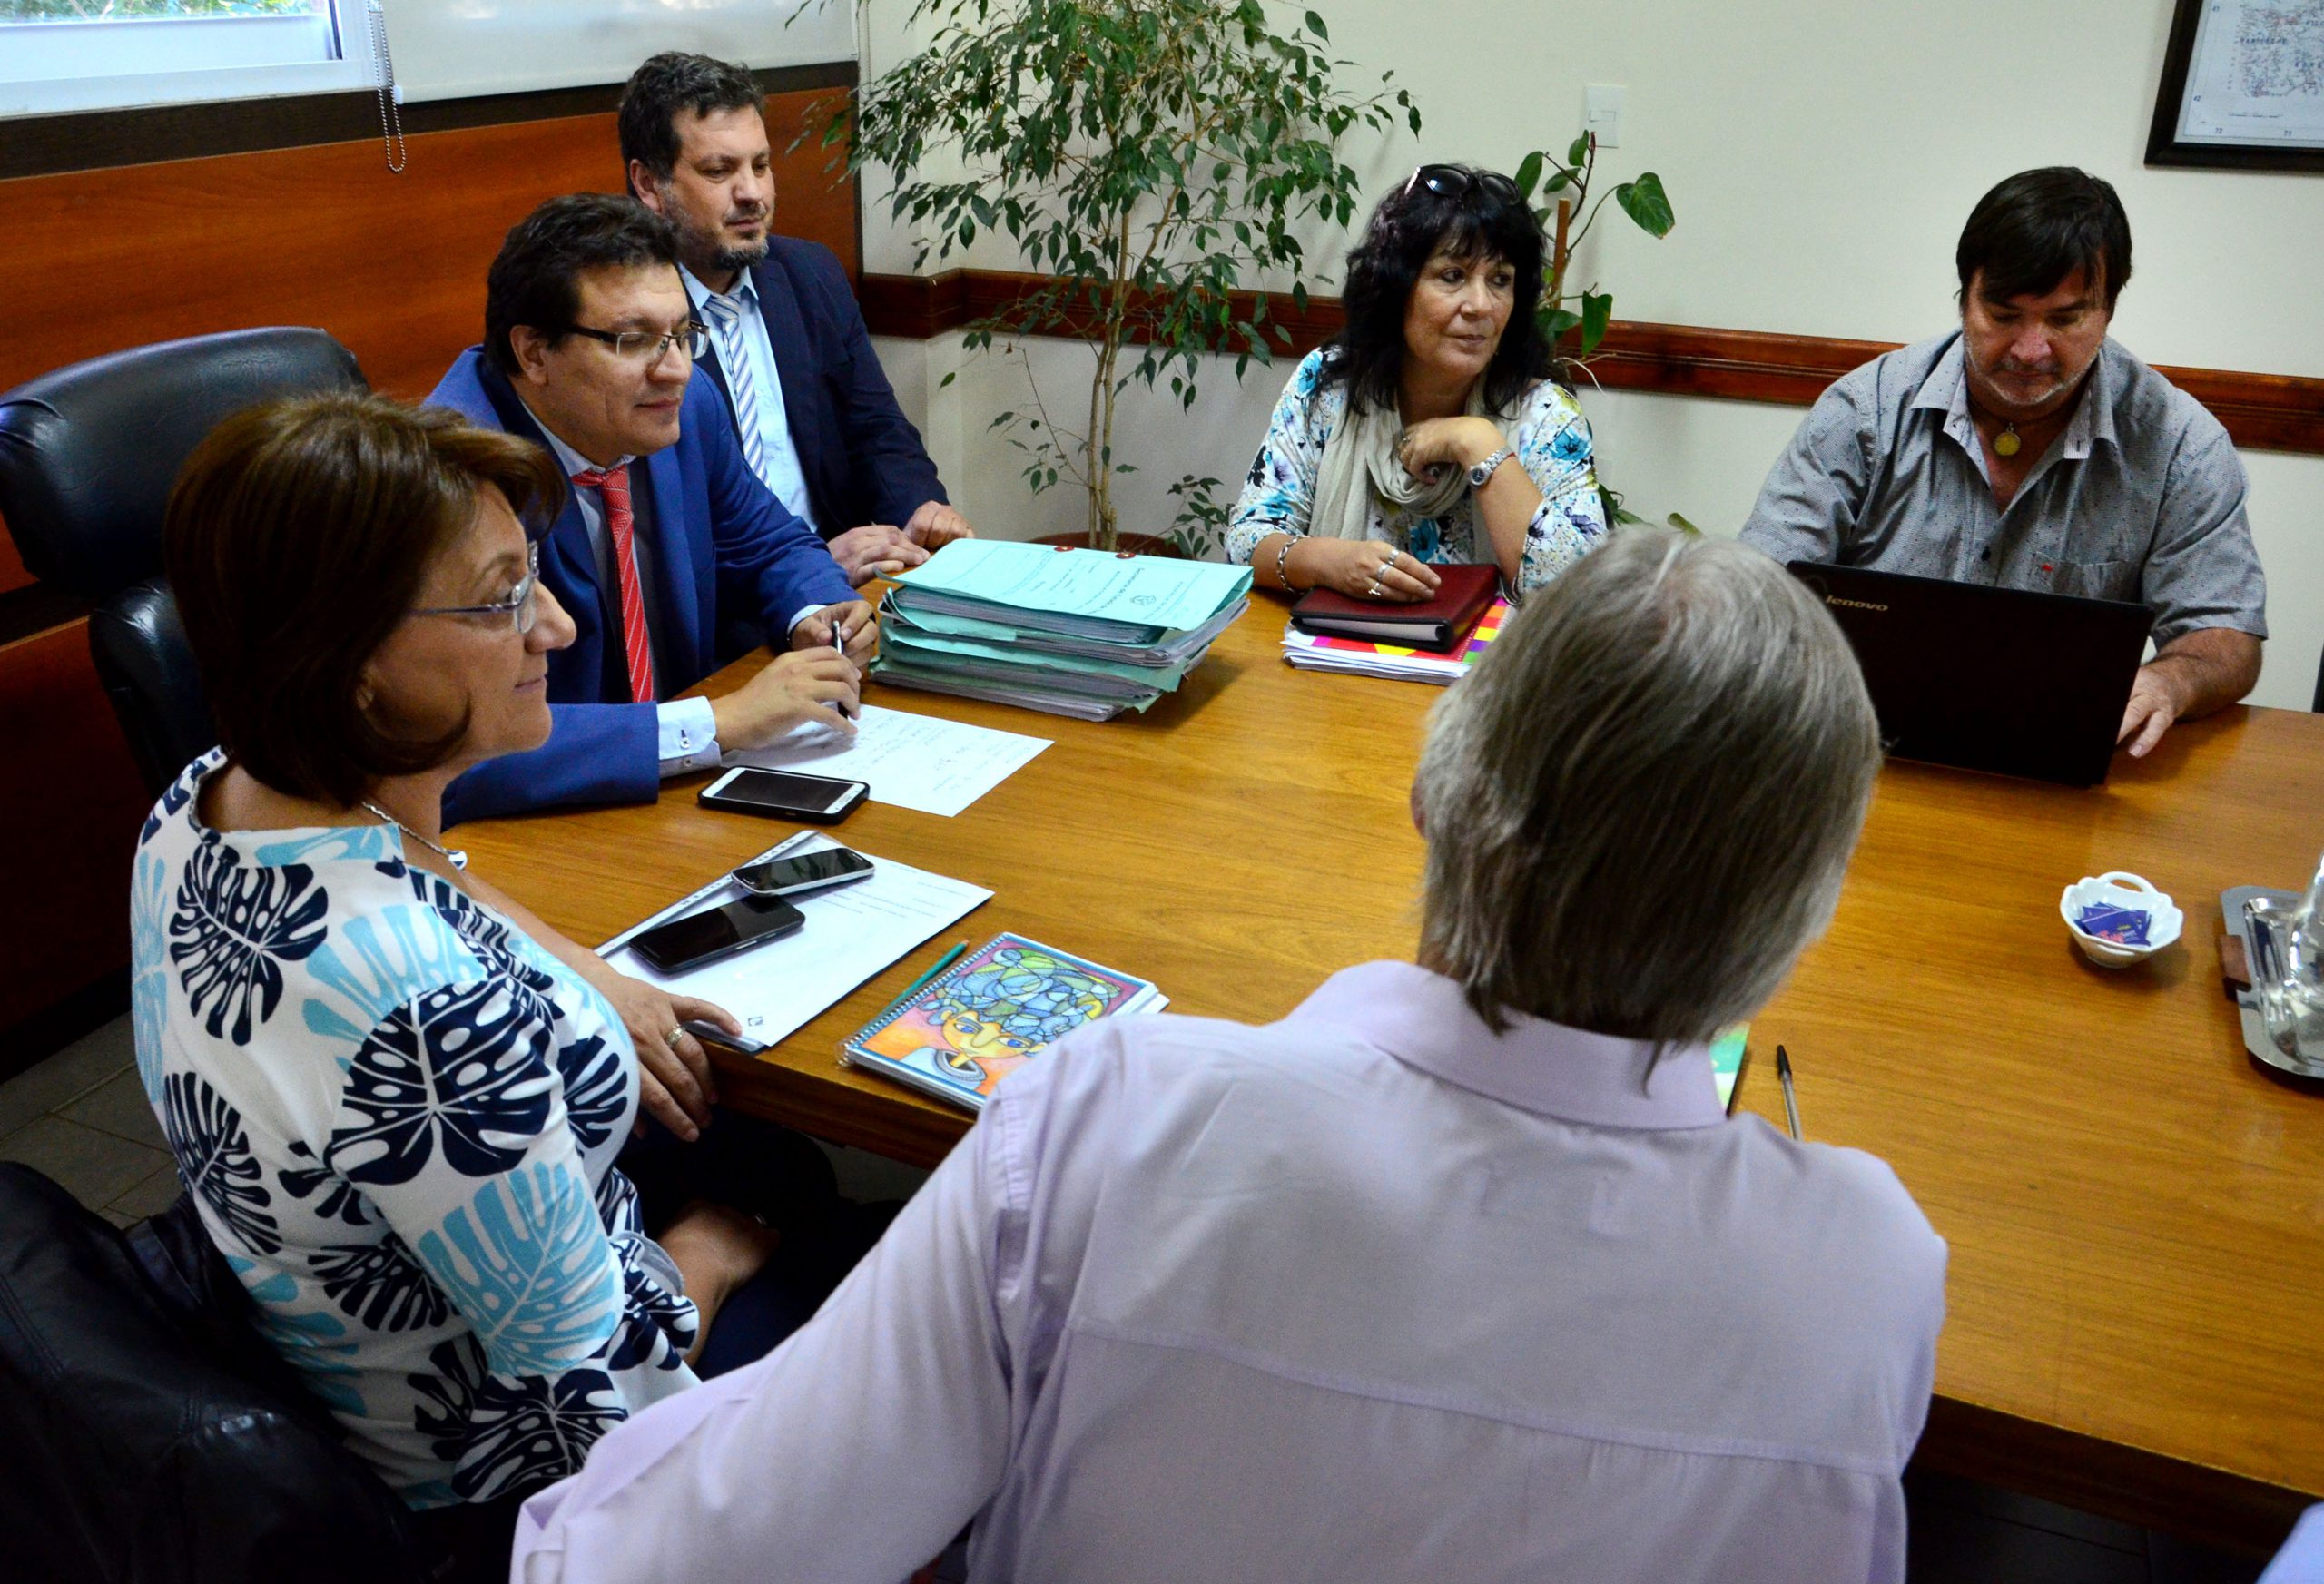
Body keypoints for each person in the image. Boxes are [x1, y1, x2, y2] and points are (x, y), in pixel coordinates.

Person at [507, 528, 1949, 1584]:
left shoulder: (1120, 1117)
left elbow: (684, 1562)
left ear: (1440, 792)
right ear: (1801, 914)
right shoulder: (1868, 1275)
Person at [136, 393, 856, 1577]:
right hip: (512, 1481)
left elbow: (414, 867)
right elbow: (603, 1400)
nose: (558, 629)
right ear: (353, 668)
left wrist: (587, 971)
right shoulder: (420, 1008)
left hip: (341, 1325)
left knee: (777, 1157)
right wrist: (717, 1252)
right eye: (503, 596)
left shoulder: (208, 795)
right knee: (886, 1247)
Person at [1740, 166, 2266, 760]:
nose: (2030, 350)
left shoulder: (2180, 445)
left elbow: (2227, 634)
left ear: (2108, 311)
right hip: (1856, 749)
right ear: (1964, 297)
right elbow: (1760, 590)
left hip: (2061, 766)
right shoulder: (1864, 412)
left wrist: (2170, 681)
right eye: (2004, 314)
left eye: (2066, 319)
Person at [428, 193, 870, 825]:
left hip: (682, 807)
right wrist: (712, 722)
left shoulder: (685, 410)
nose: (676, 370)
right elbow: (454, 752)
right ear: (532, 352)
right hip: (545, 830)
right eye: (634, 341)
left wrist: (818, 614)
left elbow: (770, 542)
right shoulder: (451, 477)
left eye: (683, 335)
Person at [620, 51, 971, 586]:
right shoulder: (626, 322)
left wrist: (923, 513)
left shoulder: (809, 274)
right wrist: (808, 569)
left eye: (760, 166)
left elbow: (877, 430)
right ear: (650, 186)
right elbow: (658, 539)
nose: (753, 194)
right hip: (729, 620)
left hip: (848, 584)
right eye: (720, 171)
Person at [1227, 163, 1609, 605]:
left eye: (1500, 280)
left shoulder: (1545, 415)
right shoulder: (1330, 384)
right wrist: (1331, 561)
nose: (1481, 305)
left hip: (1488, 669)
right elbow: (1247, 542)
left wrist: (1478, 442)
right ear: (1397, 289)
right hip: (1333, 658)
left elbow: (1581, 599)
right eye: (1453, 276)